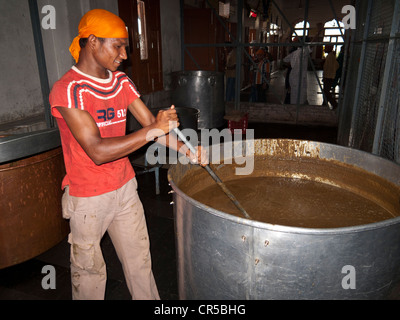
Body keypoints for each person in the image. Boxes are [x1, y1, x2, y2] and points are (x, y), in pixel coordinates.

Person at [49, 9, 206, 300]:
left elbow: (152, 125)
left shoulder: (121, 82)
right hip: (88, 197)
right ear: (93, 42)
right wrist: (154, 129)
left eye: (126, 47)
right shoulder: (69, 90)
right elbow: (97, 151)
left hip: (124, 188)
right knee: (90, 274)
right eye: (117, 45)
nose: (124, 54)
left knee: (140, 263)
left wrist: (188, 151)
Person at [322, 45, 339, 109]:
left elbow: (327, 68)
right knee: (326, 91)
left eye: (326, 48)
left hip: (328, 77)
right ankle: (324, 103)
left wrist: (328, 75)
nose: (325, 49)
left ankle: (334, 103)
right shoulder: (331, 56)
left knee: (326, 91)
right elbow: (337, 65)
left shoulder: (330, 57)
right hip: (329, 76)